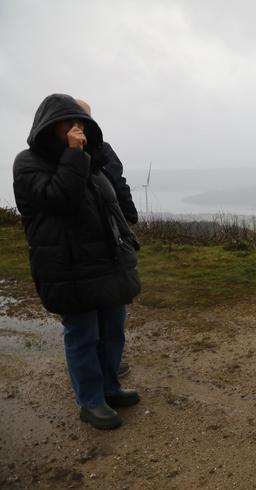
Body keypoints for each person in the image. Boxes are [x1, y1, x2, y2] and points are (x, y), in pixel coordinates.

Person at [12, 94, 141, 430]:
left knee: (113, 332)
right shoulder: (28, 163)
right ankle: (91, 401)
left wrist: (127, 243)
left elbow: (109, 207)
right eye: (69, 124)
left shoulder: (89, 161)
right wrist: (73, 155)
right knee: (83, 335)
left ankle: (110, 388)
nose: (77, 129)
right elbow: (61, 199)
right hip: (67, 267)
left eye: (81, 123)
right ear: (49, 127)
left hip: (106, 264)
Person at [76, 99, 138, 379]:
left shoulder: (100, 150)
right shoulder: (95, 151)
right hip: (93, 239)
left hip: (109, 235)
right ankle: (98, 375)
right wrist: (129, 218)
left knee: (110, 307)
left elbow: (116, 183)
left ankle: (107, 370)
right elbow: (118, 182)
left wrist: (128, 217)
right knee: (91, 313)